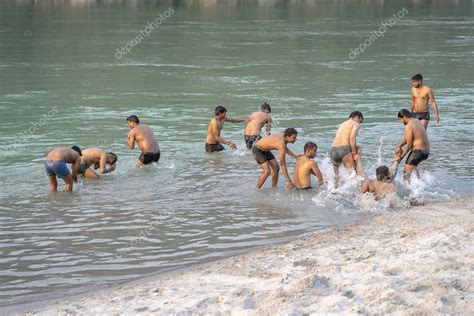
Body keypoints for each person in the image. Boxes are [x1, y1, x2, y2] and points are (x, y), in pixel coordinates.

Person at [330, 111, 366, 180]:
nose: (359, 123)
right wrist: (354, 153)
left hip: (333, 150)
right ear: (357, 117)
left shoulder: (342, 124)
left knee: (336, 176)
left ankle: (332, 189)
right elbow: (352, 138)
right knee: (352, 174)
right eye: (360, 121)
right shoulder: (355, 123)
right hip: (344, 149)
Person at [395, 109, 430, 181]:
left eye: (400, 119)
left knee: (406, 175)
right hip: (425, 152)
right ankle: (421, 187)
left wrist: (400, 158)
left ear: (404, 117)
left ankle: (413, 191)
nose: (401, 122)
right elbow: (408, 138)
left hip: (418, 152)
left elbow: (409, 145)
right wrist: (399, 145)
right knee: (414, 171)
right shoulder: (416, 121)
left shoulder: (409, 125)